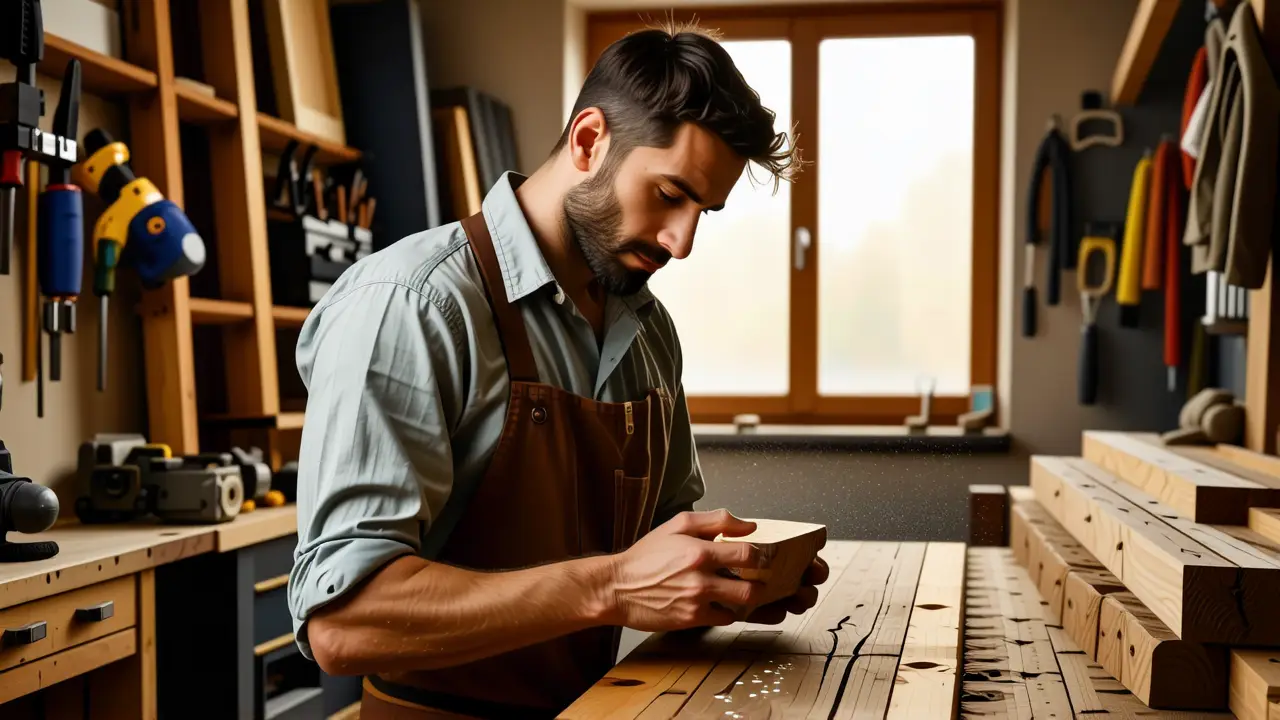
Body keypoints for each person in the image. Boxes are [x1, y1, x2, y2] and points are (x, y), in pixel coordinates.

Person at [287, 20, 828, 719]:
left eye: (705, 212)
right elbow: (343, 621)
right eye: (669, 195)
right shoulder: (410, 306)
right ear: (587, 141)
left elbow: (656, 553)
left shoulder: (648, 331)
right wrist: (613, 588)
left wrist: (726, 584)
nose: (682, 242)